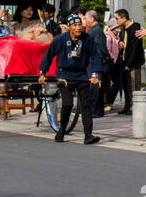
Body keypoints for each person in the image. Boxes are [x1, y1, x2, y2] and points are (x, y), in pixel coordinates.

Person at [38, 14, 103, 144]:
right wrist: (42, 72)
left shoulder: (87, 39)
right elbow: (49, 55)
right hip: (64, 76)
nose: (78, 28)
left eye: (80, 25)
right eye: (75, 25)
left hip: (81, 75)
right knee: (67, 104)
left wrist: (95, 74)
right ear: (69, 27)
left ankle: (88, 135)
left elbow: (95, 56)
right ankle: (62, 130)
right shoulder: (60, 39)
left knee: (86, 105)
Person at [109, 9, 145, 115]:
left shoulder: (135, 28)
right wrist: (120, 42)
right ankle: (127, 105)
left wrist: (129, 64)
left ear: (124, 18)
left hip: (133, 62)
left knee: (134, 85)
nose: (116, 21)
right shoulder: (124, 28)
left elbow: (136, 49)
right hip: (124, 60)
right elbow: (122, 39)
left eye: (117, 18)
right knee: (126, 85)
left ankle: (135, 107)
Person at [82, 10, 108, 117]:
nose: (85, 21)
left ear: (92, 19)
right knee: (94, 87)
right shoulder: (94, 30)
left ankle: (95, 110)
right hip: (93, 61)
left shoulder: (95, 31)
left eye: (86, 18)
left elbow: (99, 49)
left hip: (94, 62)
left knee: (95, 87)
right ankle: (96, 110)